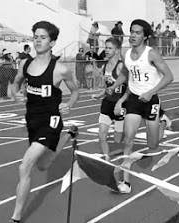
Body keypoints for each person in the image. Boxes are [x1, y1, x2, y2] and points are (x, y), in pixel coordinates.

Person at [9, 21, 79, 223]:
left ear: (53, 42)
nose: (38, 41)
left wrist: (69, 104)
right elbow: (15, 83)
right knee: (43, 165)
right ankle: (68, 135)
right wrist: (16, 94)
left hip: (51, 120)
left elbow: (75, 91)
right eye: (36, 37)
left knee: (25, 166)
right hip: (32, 120)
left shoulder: (61, 69)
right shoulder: (26, 64)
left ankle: (15, 217)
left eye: (43, 37)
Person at [108, 19, 173, 194]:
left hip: (150, 101)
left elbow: (168, 76)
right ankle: (126, 183)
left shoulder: (151, 54)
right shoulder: (126, 54)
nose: (133, 35)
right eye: (132, 32)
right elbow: (125, 73)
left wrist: (152, 92)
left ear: (145, 36)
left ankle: (163, 122)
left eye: (137, 33)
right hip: (134, 101)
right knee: (128, 139)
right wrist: (113, 88)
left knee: (153, 144)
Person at [91, 37, 126, 161]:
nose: (106, 50)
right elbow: (108, 88)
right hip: (107, 104)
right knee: (102, 133)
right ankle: (106, 156)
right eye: (105, 47)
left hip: (120, 106)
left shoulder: (121, 66)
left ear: (117, 50)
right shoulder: (105, 67)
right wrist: (99, 95)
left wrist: (121, 102)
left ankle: (122, 148)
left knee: (118, 140)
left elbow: (130, 87)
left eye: (110, 48)